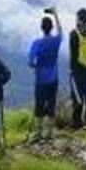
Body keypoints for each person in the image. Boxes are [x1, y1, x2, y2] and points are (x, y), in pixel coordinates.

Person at [29, 8, 63, 142]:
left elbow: (31, 62)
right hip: (53, 78)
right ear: (51, 28)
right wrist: (55, 13)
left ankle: (38, 133)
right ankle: (50, 133)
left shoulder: (37, 44)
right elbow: (60, 30)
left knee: (39, 104)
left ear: (41, 28)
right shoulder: (56, 41)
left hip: (41, 79)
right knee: (51, 104)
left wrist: (37, 65)